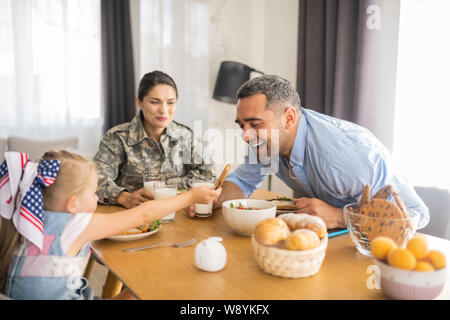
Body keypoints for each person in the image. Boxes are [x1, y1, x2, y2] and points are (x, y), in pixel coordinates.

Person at [200, 75, 429, 230]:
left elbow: (412, 215)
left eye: (255, 124)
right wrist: (208, 200)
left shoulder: (343, 156)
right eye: (242, 125)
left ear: (289, 118)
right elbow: (242, 181)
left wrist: (339, 217)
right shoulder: (267, 143)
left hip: (385, 250)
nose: (246, 135)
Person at [0, 150, 221, 300]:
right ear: (73, 204)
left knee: (137, 290)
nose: (97, 199)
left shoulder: (23, 218)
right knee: (154, 286)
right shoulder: (75, 224)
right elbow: (144, 215)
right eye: (93, 193)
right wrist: (191, 197)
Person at [94, 71, 215, 209]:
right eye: (154, 102)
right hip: (133, 218)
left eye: (170, 103)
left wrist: (169, 187)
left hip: (177, 215)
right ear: (139, 102)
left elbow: (209, 175)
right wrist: (123, 197)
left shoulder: (185, 136)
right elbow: (95, 180)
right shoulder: (117, 138)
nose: (164, 110)